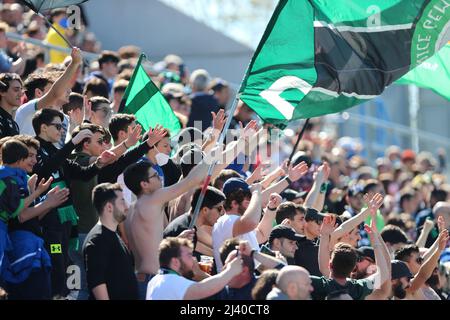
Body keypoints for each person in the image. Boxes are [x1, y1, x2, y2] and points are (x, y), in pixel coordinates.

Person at [125, 120, 258, 299]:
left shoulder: (133, 208)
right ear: (144, 184)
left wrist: (177, 240)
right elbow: (194, 178)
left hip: (143, 278)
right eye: (155, 176)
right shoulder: (151, 199)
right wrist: (239, 143)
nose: (160, 178)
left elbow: (154, 244)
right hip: (153, 278)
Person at [31, 108, 115, 298]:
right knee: (56, 264)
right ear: (43, 127)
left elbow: (81, 173)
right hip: (49, 221)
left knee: (65, 266)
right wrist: (72, 143)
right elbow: (44, 170)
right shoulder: (34, 148)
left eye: (63, 126)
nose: (61, 130)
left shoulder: (54, 149)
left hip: (66, 220)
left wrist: (99, 164)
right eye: (57, 126)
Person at [2, 136, 68, 300]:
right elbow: (21, 215)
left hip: (40, 239)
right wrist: (42, 197)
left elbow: (32, 216)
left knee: (57, 272)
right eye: (29, 155)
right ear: (18, 157)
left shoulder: (23, 179)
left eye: (35, 155)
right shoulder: (13, 179)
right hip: (24, 247)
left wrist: (48, 202)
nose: (34, 159)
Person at [15, 48, 83, 146]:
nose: (69, 91)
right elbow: (54, 94)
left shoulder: (66, 119)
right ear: (39, 92)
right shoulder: (27, 109)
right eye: (55, 86)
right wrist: (74, 63)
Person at [83, 183, 138, 300]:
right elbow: (96, 282)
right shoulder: (97, 239)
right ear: (109, 207)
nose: (127, 206)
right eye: (122, 201)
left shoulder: (113, 235)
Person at [146, 237, 243, 300]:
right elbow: (203, 289)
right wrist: (231, 270)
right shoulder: (171, 281)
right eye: (189, 255)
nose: (193, 260)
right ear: (175, 262)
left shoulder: (156, 280)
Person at [164, 186, 226, 259]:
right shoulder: (185, 230)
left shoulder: (189, 224)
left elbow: (202, 247)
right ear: (205, 210)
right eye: (219, 209)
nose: (222, 213)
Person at [0, 73, 21, 138]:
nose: (20, 94)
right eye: (16, 90)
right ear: (2, 92)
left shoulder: (15, 125)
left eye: (21, 89)